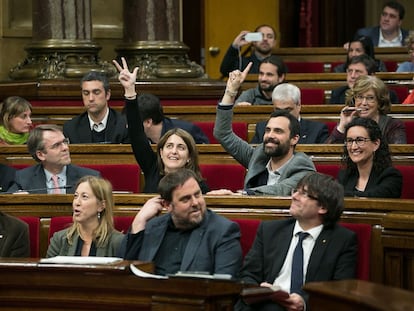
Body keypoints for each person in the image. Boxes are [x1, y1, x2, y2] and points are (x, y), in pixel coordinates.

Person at [235, 172, 357, 311]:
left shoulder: (342, 240)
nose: (294, 196)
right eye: (296, 191)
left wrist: (304, 303)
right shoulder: (269, 231)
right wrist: (259, 291)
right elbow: (248, 275)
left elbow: (339, 291)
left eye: (303, 194)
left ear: (323, 207)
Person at [213, 63, 315, 196]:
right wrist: (230, 92)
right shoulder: (258, 156)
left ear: (294, 139)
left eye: (278, 131)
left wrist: (241, 195)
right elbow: (222, 134)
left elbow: (281, 190)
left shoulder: (303, 166)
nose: (270, 135)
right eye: (268, 130)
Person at [121, 168, 242, 277]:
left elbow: (224, 286)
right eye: (186, 199)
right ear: (167, 205)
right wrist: (139, 222)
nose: (195, 203)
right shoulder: (153, 227)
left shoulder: (223, 231)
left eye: (197, 194)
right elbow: (124, 274)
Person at [112, 58, 209, 193]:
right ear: (161, 153)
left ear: (189, 157)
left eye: (181, 147)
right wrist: (129, 91)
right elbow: (136, 134)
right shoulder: (152, 167)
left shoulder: (199, 185)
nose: (174, 151)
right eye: (169, 146)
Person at [7, 124, 100, 194]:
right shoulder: (23, 179)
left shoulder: (90, 178)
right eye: (56, 145)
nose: (65, 148)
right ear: (41, 155)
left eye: (65, 142)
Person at [47, 175, 124, 257]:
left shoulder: (117, 242)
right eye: (76, 196)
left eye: (84, 197)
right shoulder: (60, 239)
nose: (77, 202)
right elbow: (48, 269)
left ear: (101, 206)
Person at [326, 75, 406, 144]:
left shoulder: (393, 125)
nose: (364, 103)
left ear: (380, 101)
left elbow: (398, 156)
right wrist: (342, 126)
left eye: (370, 98)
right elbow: (328, 154)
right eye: (360, 97)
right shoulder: (348, 123)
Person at [339, 117, 402, 198]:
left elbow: (375, 198)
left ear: (376, 144)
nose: (353, 147)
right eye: (350, 141)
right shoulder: (345, 175)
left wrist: (340, 195)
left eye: (360, 140)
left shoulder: (390, 176)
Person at [63, 71, 129, 144]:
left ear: (107, 95)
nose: (91, 98)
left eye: (96, 92)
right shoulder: (71, 128)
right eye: (86, 93)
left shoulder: (123, 124)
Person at [251, 83, 329, 144]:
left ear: (298, 106)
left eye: (287, 110)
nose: (283, 115)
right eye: (278, 110)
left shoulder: (317, 130)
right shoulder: (262, 128)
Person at [135, 93, 209, 144]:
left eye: (133, 122)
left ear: (148, 122)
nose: (128, 126)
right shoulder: (131, 137)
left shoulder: (187, 132)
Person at [329, 54, 399, 104]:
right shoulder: (337, 93)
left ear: (371, 76)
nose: (352, 76)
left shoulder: (386, 94)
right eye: (350, 71)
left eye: (358, 72)